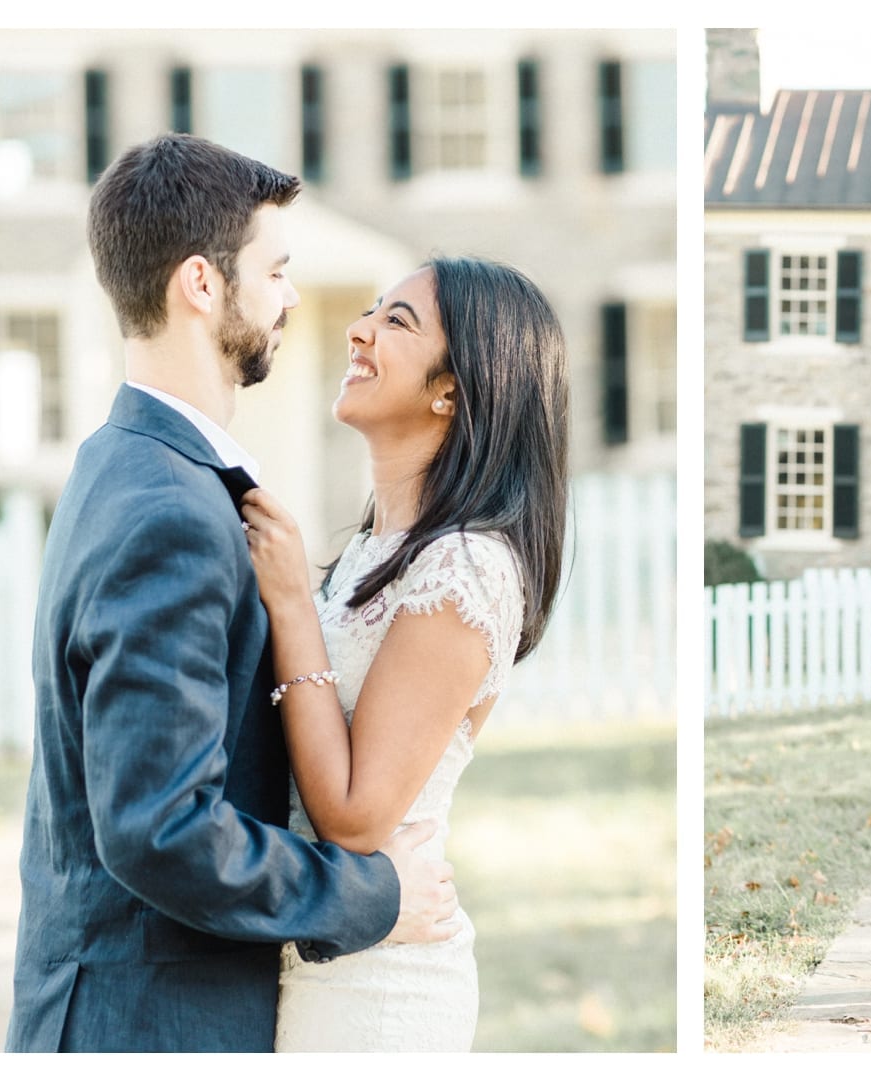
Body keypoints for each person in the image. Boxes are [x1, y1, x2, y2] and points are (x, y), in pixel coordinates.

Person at [6, 134, 459, 1054]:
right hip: (148, 1029)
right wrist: (372, 893)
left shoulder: (123, 466)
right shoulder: (167, 508)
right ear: (202, 287)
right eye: (277, 269)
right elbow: (158, 827)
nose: (293, 297)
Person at [240, 254, 569, 1051]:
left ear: (452, 388)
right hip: (315, 950)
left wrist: (289, 604)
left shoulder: (465, 568)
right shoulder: (377, 548)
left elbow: (353, 816)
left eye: (396, 322)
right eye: (371, 311)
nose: (359, 331)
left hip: (378, 992)